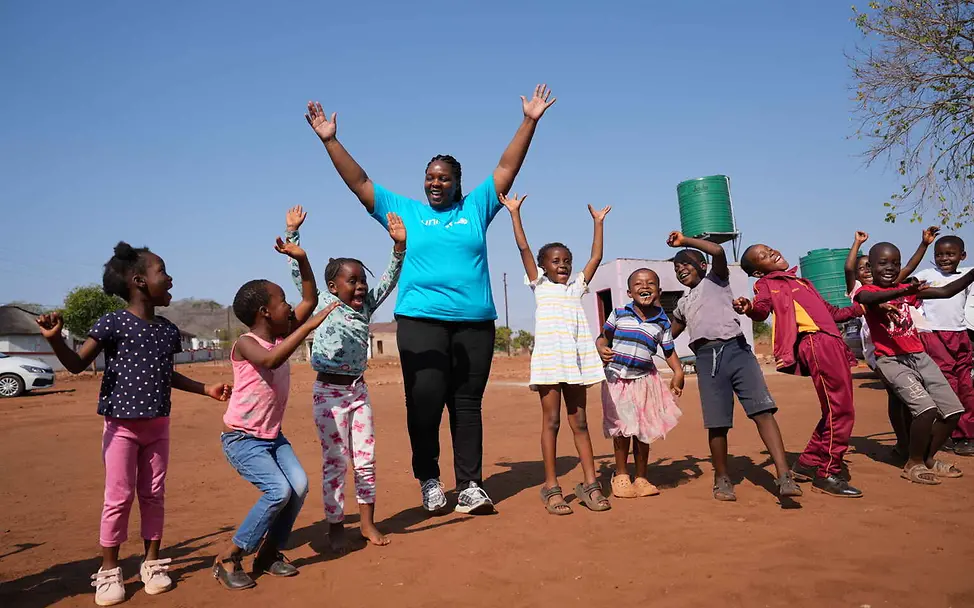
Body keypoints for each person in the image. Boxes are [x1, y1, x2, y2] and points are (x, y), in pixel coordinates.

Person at [305, 84, 557, 514]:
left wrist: (529, 120)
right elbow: (360, 182)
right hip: (421, 321)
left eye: (443, 177)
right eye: (430, 176)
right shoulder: (407, 211)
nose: (435, 182)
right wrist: (331, 140)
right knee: (423, 403)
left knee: (466, 404)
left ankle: (472, 484)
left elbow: (505, 167)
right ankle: (430, 480)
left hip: (475, 324)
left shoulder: (475, 208)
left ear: (458, 183)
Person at [35, 242, 231, 606]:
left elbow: (165, 374)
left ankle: (152, 562)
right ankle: (110, 569)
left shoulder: (167, 330)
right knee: (118, 497)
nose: (170, 278)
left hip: (158, 426)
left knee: (153, 494)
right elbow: (77, 365)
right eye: (163, 272)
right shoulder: (112, 323)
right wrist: (55, 340)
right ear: (139, 281)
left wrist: (206, 388)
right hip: (121, 427)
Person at [212, 234, 340, 590]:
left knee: (298, 486)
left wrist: (301, 258)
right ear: (264, 312)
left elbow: (311, 299)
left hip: (271, 437)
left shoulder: (282, 332)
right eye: (282, 301)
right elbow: (271, 360)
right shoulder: (247, 344)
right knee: (277, 491)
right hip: (242, 438)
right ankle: (230, 555)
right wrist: (308, 326)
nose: (290, 307)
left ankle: (269, 553)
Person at [283, 206, 405, 550]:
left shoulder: (365, 308)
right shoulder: (321, 301)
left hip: (358, 393)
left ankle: (367, 524)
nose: (360, 286)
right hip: (327, 394)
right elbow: (299, 275)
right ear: (333, 286)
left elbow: (388, 280)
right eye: (352, 281)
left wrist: (398, 248)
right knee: (335, 462)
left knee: (366, 461)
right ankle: (335, 527)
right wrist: (293, 235)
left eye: (361, 280)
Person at [666, 232, 800, 502]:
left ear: (702, 266)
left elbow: (716, 251)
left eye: (686, 264)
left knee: (763, 411)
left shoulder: (716, 280)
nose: (681, 270)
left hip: (736, 352)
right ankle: (722, 477)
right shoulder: (682, 303)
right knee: (717, 424)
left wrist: (686, 242)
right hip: (706, 359)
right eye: (676, 268)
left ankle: (784, 474)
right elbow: (668, 335)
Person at [499, 192, 611, 514]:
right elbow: (522, 247)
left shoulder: (577, 287)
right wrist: (514, 214)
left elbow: (596, 257)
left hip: (575, 363)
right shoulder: (539, 285)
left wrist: (598, 223)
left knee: (581, 424)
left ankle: (590, 484)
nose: (562, 265)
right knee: (551, 423)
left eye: (566, 261)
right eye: (555, 261)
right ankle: (551, 486)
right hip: (550, 362)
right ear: (543, 266)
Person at [735, 244, 864, 498]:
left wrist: (864, 307)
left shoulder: (803, 282)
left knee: (835, 409)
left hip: (832, 341)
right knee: (841, 410)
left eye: (769, 249)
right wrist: (748, 308)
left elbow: (833, 312)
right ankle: (827, 473)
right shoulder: (767, 285)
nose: (771, 253)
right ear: (759, 272)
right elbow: (761, 310)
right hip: (817, 343)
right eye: (763, 256)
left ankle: (807, 463)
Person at [853, 241, 973, 483]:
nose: (890, 267)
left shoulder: (905, 289)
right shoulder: (866, 293)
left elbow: (946, 291)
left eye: (895, 263)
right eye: (883, 263)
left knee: (953, 411)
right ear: (872, 267)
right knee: (925, 410)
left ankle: (928, 458)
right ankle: (913, 463)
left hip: (919, 356)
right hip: (891, 360)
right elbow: (871, 299)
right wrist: (904, 291)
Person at [844, 227, 938, 460]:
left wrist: (924, 244)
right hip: (877, 348)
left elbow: (909, 268)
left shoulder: (889, 283)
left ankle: (905, 442)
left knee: (902, 397)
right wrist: (856, 244)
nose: (867, 271)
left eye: (870, 266)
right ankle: (904, 443)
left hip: (897, 343)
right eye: (863, 268)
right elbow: (848, 268)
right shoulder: (857, 288)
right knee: (897, 395)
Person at [596, 268, 685, 501]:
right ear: (629, 291)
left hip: (645, 381)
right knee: (623, 429)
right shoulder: (618, 314)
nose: (644, 287)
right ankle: (622, 474)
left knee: (644, 430)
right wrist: (600, 348)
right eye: (638, 283)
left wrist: (678, 371)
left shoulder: (662, 322)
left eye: (650, 283)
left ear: (658, 290)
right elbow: (602, 338)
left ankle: (642, 477)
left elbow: (669, 351)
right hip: (618, 380)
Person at [912, 235, 974, 457]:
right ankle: (945, 433)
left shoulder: (968, 275)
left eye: (950, 254)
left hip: (960, 334)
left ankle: (966, 435)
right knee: (947, 384)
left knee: (966, 386)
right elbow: (908, 288)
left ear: (962, 256)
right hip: (936, 335)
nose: (944, 258)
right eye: (939, 254)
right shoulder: (927, 276)